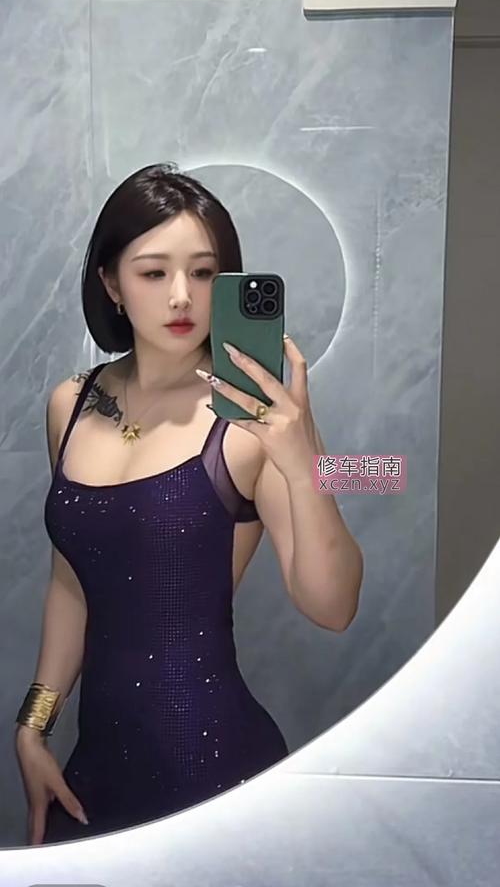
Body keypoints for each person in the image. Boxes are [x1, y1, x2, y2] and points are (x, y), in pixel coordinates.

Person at [14, 163, 363, 846]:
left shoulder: (254, 422)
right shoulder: (70, 404)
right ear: (111, 284)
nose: (181, 296)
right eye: (153, 273)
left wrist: (304, 466)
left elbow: (333, 606)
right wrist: (34, 727)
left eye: (203, 273)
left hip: (214, 771)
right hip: (96, 771)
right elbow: (72, 581)